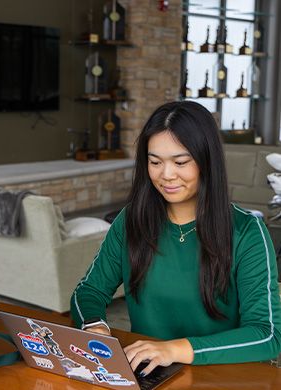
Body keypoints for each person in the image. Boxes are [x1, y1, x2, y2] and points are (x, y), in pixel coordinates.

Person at [70, 101, 281, 376]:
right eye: (155, 162)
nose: (166, 175)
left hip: (223, 378)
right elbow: (88, 292)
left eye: (181, 162)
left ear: (207, 160)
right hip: (148, 375)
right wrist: (94, 326)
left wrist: (174, 350)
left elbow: (267, 335)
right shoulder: (131, 221)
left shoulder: (247, 231)